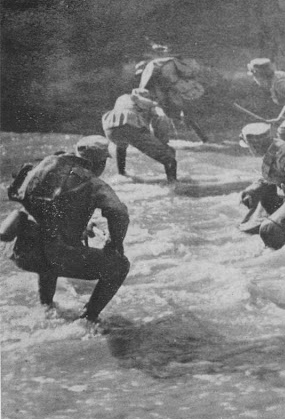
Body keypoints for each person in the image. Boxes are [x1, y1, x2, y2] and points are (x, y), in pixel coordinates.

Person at [6, 136, 130, 323]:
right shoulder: (93, 183)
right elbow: (119, 213)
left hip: (23, 250)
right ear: (100, 163)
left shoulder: (46, 165)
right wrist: (114, 244)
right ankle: (88, 319)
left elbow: (42, 205)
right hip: (55, 255)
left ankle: (46, 307)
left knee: (50, 245)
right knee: (120, 266)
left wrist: (79, 226)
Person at [102, 88, 178, 182]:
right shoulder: (152, 105)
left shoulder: (122, 98)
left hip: (109, 127)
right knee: (169, 157)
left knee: (121, 145)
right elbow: (161, 120)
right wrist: (163, 143)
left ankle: (122, 175)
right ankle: (174, 185)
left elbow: (122, 122)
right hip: (131, 126)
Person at [136, 51, 209, 142]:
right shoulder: (160, 67)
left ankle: (161, 140)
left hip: (175, 89)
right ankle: (202, 137)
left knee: (177, 113)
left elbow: (168, 82)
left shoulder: (153, 68)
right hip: (174, 90)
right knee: (181, 113)